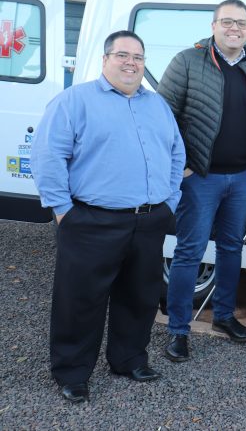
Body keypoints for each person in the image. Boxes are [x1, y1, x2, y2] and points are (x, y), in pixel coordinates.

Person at [31, 31, 185, 403]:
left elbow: (176, 153)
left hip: (148, 220)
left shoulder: (157, 105)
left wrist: (169, 201)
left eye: (138, 57)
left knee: (140, 296)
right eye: (123, 55)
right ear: (105, 60)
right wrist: (63, 211)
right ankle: (72, 372)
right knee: (80, 301)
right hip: (91, 221)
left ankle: (129, 358)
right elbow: (48, 157)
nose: (131, 62)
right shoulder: (74, 101)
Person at [158, 0, 246, 362]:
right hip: (200, 178)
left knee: (231, 250)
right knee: (189, 252)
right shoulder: (187, 62)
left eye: (241, 23)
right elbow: (163, 115)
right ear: (213, 26)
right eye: (227, 22)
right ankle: (178, 330)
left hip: (241, 179)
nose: (234, 29)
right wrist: (183, 166)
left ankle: (224, 316)